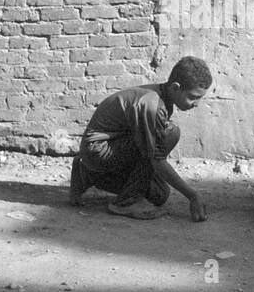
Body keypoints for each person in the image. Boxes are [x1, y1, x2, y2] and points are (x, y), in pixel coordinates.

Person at [70, 56, 211, 222]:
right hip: (98, 149)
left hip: (110, 149)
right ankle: (125, 203)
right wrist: (192, 195)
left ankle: (87, 174)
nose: (196, 104)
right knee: (170, 134)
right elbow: (156, 159)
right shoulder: (152, 105)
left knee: (159, 194)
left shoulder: (163, 98)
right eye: (193, 97)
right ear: (175, 87)